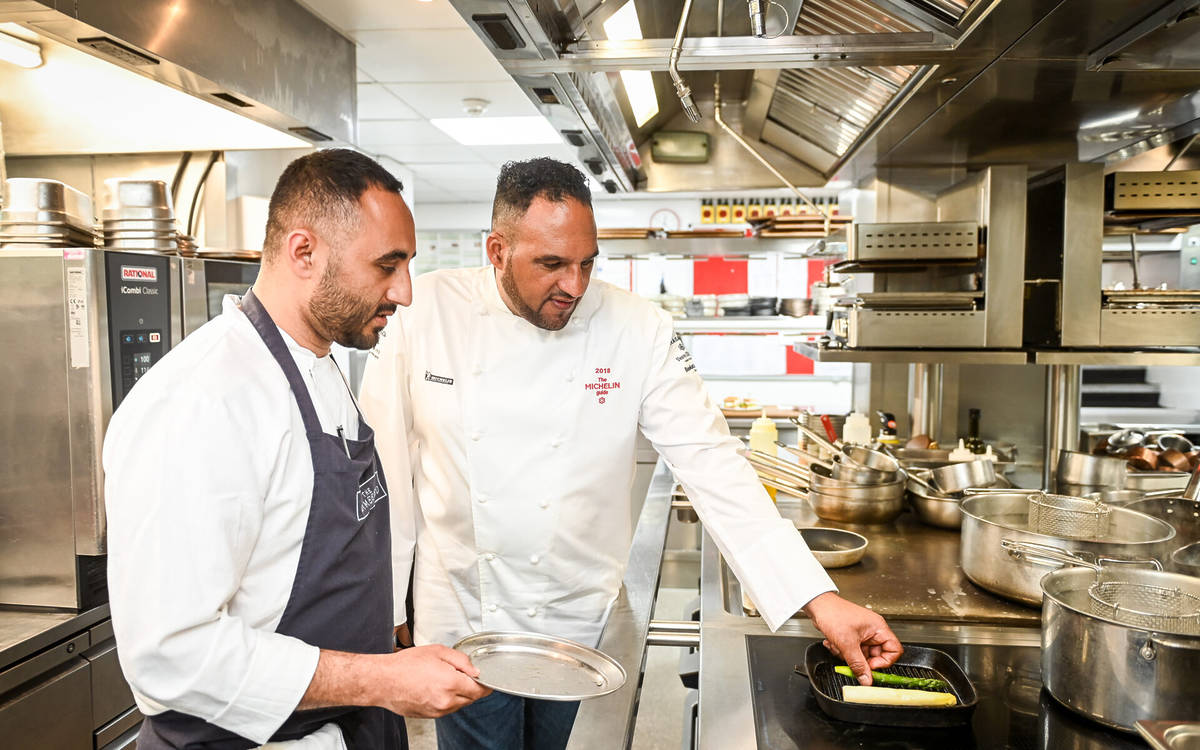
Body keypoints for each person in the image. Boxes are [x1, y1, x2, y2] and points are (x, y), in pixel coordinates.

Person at [359, 157, 902, 750]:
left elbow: (713, 463)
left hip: (576, 618)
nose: (574, 285)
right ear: (496, 250)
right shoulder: (423, 313)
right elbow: (382, 468)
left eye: (587, 263)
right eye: (551, 264)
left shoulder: (637, 329)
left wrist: (818, 599)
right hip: (465, 616)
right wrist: (384, 601)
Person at [104, 149, 489, 750]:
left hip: (350, 722)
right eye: (388, 265)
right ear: (304, 252)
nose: (406, 292)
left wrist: (387, 664)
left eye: (408, 265)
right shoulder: (202, 401)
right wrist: (379, 678)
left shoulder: (323, 363)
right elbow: (168, 654)